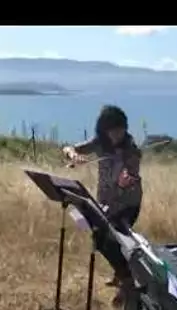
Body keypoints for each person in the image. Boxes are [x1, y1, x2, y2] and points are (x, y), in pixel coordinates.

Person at [62, 104, 143, 307]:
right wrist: (73, 155)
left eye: (120, 129)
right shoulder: (99, 143)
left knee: (108, 241)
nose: (117, 134)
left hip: (128, 202)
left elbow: (132, 176)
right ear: (103, 130)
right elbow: (69, 147)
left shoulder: (131, 149)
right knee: (102, 238)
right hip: (105, 201)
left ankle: (127, 282)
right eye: (112, 130)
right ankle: (121, 275)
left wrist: (127, 179)